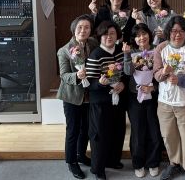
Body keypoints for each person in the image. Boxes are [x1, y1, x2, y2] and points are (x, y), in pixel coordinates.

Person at [153, 16, 185, 180]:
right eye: (174, 31)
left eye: (182, 31)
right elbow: (156, 74)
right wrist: (163, 73)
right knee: (169, 136)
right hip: (165, 102)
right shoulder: (161, 48)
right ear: (168, 32)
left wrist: (180, 80)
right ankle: (174, 163)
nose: (178, 34)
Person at [57, 14, 99, 179]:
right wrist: (77, 76)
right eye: (80, 27)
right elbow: (63, 75)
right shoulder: (64, 50)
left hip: (90, 95)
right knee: (73, 130)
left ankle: (81, 155)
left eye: (87, 27)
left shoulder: (93, 43)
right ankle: (71, 161)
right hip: (72, 96)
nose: (83, 30)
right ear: (74, 29)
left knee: (86, 129)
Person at [86, 21, 128, 180]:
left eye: (112, 33)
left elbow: (126, 73)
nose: (109, 37)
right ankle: (98, 168)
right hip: (100, 102)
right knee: (100, 135)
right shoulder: (95, 55)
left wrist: (122, 84)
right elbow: (89, 83)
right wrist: (100, 83)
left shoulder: (120, 51)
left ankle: (113, 160)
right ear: (99, 36)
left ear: (117, 35)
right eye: (105, 34)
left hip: (118, 100)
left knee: (118, 131)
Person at [123, 23, 163, 178]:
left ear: (149, 34)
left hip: (153, 96)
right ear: (134, 39)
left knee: (154, 130)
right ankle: (138, 163)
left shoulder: (157, 50)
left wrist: (153, 87)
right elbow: (128, 72)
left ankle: (153, 162)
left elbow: (161, 74)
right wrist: (127, 55)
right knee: (138, 131)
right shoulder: (131, 52)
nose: (141, 38)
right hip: (135, 97)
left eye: (144, 34)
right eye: (137, 35)